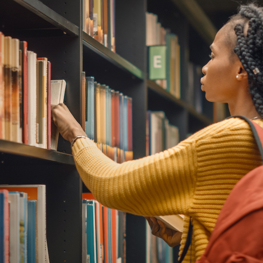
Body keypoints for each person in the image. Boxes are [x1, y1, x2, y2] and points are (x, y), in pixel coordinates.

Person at [51, 3, 263, 262]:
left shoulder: (231, 137)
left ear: (241, 68)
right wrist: (189, 231)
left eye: (212, 55)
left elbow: (111, 184)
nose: (204, 67)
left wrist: (75, 134)